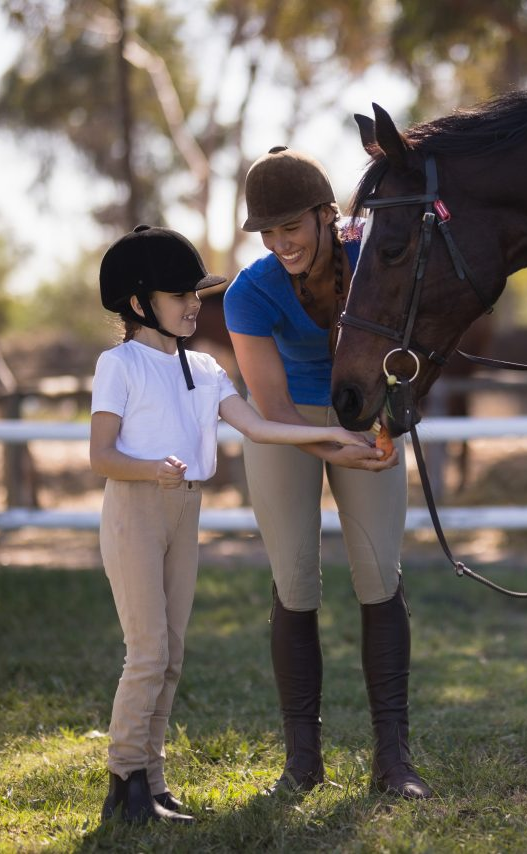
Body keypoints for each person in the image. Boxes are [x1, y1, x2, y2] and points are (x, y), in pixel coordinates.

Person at [91, 224, 380, 825]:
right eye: (182, 295)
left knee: (171, 656)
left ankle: (155, 780)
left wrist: (331, 433)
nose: (196, 304)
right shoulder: (117, 365)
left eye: (197, 293)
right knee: (147, 651)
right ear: (140, 302)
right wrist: (150, 470)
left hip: (185, 510)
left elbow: (260, 426)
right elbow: (101, 457)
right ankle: (124, 780)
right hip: (135, 511)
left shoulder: (205, 369)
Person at [223, 146, 432, 799]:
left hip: (362, 410)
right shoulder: (249, 293)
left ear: (325, 215)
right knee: (296, 582)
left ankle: (393, 761)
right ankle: (302, 763)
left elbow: (411, 337)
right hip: (289, 426)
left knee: (378, 577)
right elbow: (275, 408)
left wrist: (386, 422)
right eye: (269, 232)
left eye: (293, 226)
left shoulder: (369, 258)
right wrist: (332, 447)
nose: (282, 243)